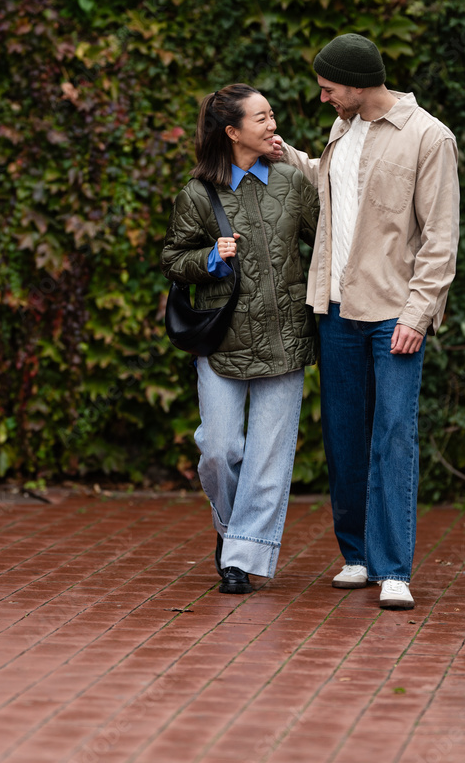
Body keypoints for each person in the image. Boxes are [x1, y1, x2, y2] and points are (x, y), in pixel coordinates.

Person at [273, 33, 459, 610]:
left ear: (357, 84)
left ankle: (393, 569)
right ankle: (356, 555)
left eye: (329, 87)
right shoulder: (342, 129)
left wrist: (418, 315)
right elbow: (335, 190)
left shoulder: (429, 136)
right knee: (344, 437)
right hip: (335, 311)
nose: (323, 97)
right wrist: (289, 156)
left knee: (395, 434)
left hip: (394, 314)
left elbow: (441, 238)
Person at [161, 84, 319, 594]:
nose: (273, 125)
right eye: (262, 118)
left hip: (284, 338)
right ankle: (234, 534)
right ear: (232, 132)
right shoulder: (197, 194)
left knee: (268, 459)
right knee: (219, 448)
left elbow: (327, 242)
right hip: (221, 340)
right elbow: (173, 260)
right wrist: (210, 258)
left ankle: (239, 559)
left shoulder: (291, 182)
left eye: (272, 115)